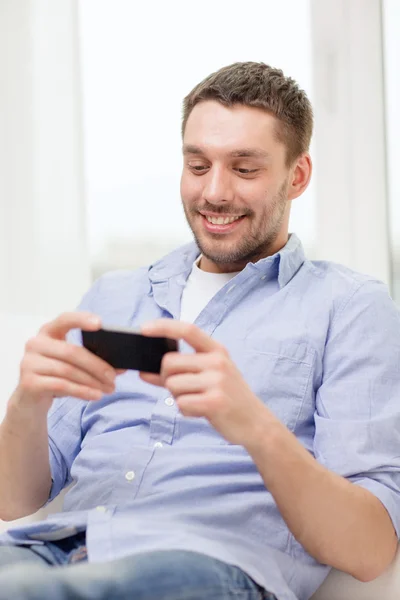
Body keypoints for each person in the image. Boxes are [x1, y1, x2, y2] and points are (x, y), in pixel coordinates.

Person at [0, 61, 399, 600]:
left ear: (297, 176)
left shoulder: (350, 307)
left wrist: (255, 426)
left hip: (207, 565)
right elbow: (14, 498)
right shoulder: (115, 295)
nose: (213, 192)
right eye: (197, 164)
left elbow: (370, 551)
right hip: (50, 546)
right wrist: (28, 401)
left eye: (244, 169)